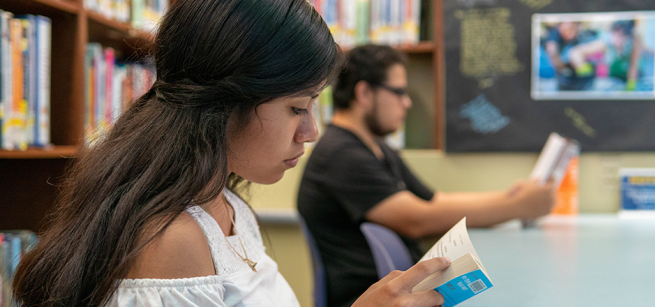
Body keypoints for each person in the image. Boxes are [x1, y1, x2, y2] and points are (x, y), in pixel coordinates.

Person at [11, 1, 453, 306]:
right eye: (297, 107)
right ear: (224, 105)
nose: (311, 131)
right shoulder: (174, 242)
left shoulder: (228, 205)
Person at [297, 44, 556, 307]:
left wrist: (511, 197)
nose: (407, 103)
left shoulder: (377, 148)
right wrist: (516, 206)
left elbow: (435, 201)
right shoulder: (341, 155)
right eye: (398, 92)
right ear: (364, 93)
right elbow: (418, 219)